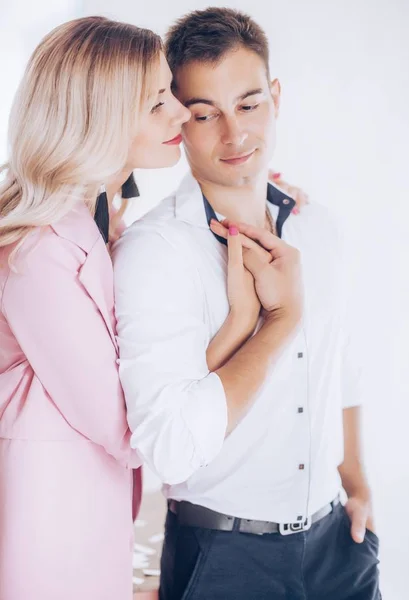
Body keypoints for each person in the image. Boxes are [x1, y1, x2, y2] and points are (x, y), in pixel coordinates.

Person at [113, 7, 380, 600]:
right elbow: (171, 448)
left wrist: (356, 482)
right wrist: (269, 323)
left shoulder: (319, 228)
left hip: (342, 549)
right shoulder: (154, 254)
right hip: (224, 558)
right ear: (180, 120)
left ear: (276, 97)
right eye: (206, 114)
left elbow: (342, 362)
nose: (234, 135)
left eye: (249, 104)